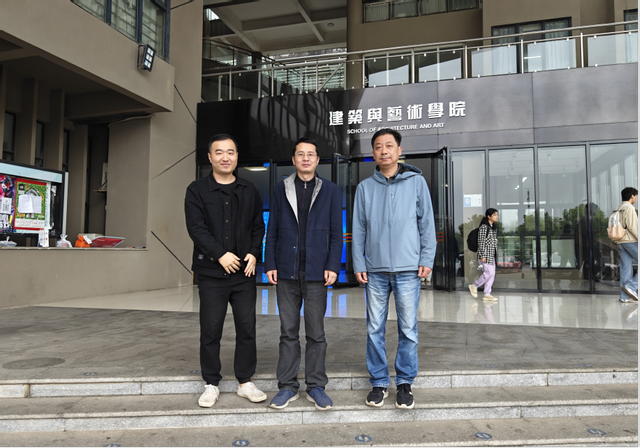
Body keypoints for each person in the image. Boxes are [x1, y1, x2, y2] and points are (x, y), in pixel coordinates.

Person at [352, 129, 436, 410]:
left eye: (389, 145)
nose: (384, 151)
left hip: (408, 269)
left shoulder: (416, 182)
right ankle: (378, 381)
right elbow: (359, 229)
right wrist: (359, 262)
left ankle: (404, 382)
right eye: (378, 146)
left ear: (399, 151)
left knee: (408, 328)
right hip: (375, 270)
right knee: (374, 328)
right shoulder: (365, 188)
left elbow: (427, 224)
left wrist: (427, 258)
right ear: (373, 153)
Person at [184, 134, 267, 408]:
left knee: (247, 328)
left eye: (230, 152)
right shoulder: (196, 190)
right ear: (210, 157)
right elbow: (196, 228)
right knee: (210, 330)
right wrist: (219, 254)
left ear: (237, 156)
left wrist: (254, 252)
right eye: (219, 152)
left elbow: (258, 226)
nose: (225, 157)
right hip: (211, 274)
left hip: (244, 274)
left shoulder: (249, 189)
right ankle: (211, 383)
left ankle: (245, 381)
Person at [265, 137, 343, 411]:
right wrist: (270, 263)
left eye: (311, 154)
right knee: (287, 332)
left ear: (318, 160)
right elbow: (273, 229)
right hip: (286, 272)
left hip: (317, 273)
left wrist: (333, 265)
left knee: (316, 333)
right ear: (294, 159)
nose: (306, 158)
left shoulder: (330, 190)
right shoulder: (281, 189)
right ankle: (287, 387)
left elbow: (336, 233)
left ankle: (316, 386)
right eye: (301, 154)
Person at [468, 208, 499, 302]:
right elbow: (481, 242)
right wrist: (482, 255)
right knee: (489, 273)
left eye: (497, 214)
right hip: (485, 255)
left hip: (491, 255)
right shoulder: (484, 227)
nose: (496, 216)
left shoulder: (493, 227)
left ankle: (487, 294)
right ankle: (474, 286)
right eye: (494, 215)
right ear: (488, 216)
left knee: (492, 274)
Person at [615, 187, 638, 303]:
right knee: (625, 268)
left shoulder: (617, 208)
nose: (636, 198)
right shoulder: (629, 208)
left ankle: (624, 297)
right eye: (636, 196)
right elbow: (633, 227)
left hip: (620, 241)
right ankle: (632, 286)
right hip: (630, 241)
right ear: (632, 196)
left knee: (625, 268)